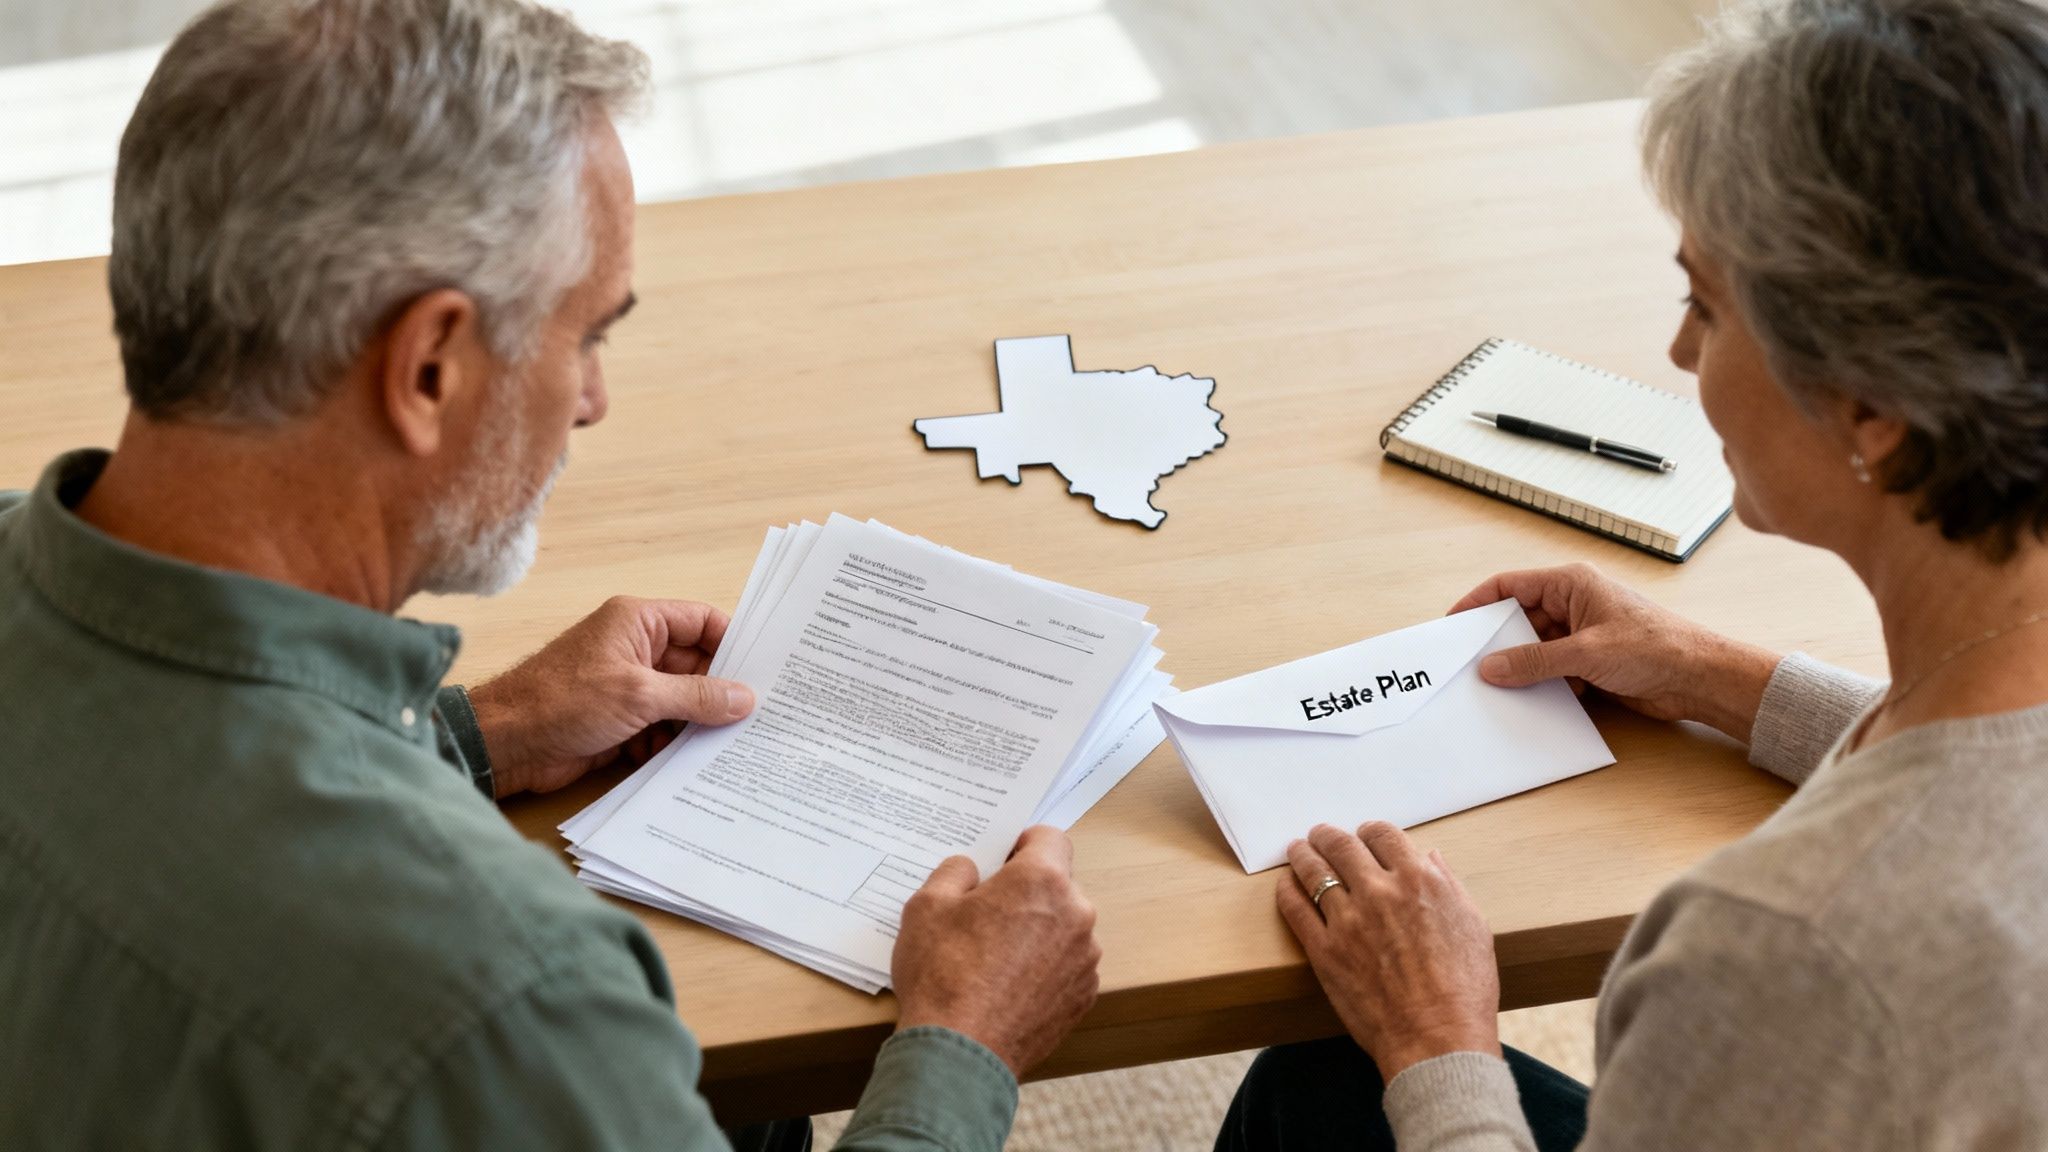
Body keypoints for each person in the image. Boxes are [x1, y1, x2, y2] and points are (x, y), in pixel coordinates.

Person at [0, 2, 1101, 1149]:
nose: (591, 400)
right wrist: (962, 1046)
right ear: (426, 366)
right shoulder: (508, 998)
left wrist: (483, 732)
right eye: (585, 335)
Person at [1218, 0, 2048, 1148]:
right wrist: (1718, 678)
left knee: (1320, 1085)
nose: (1676, 355)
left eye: (1704, 305)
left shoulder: (1781, 946)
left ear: (1870, 405)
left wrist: (1434, 1038)